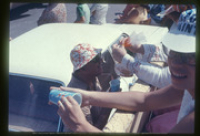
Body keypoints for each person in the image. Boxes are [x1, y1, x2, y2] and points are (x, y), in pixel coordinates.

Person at [50, 9, 196, 133]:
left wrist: (81, 127)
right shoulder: (188, 86)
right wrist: (86, 97)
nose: (176, 63)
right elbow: (145, 100)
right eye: (174, 52)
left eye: (191, 57)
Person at [65, 43, 111, 131]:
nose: (101, 60)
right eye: (96, 59)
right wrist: (109, 105)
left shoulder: (92, 77)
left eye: (99, 56)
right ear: (82, 68)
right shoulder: (76, 97)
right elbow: (90, 130)